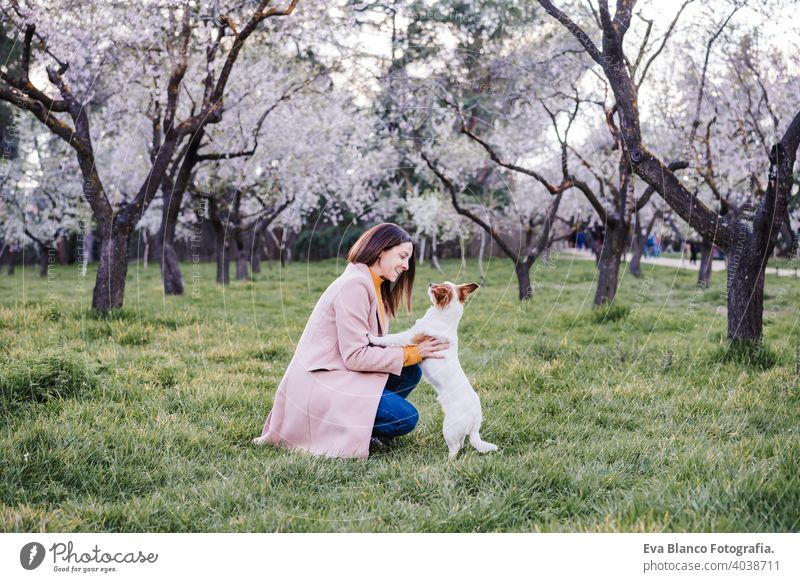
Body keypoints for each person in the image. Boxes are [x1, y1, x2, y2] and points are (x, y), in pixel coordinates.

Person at [253, 223, 449, 459]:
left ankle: (364, 424)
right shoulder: (354, 285)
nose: (406, 266)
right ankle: (343, 429)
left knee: (410, 372)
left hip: (342, 371)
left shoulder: (375, 285)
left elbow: (371, 344)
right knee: (405, 418)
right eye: (402, 256)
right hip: (322, 381)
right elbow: (356, 356)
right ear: (381, 250)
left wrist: (415, 347)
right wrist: (413, 352)